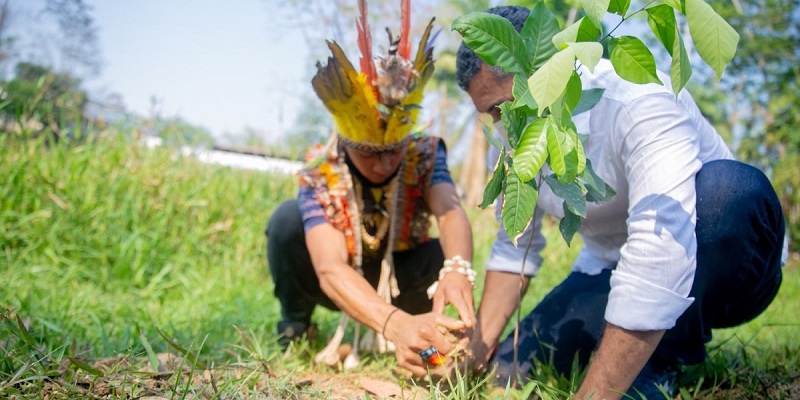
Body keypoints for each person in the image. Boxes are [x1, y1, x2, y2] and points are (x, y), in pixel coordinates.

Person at [455, 5, 787, 399]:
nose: (500, 124)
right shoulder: (516, 144)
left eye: (500, 108)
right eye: (489, 114)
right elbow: (513, 249)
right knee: (515, 366)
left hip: (726, 259)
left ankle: (665, 357)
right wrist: (476, 352)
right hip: (612, 267)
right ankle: (644, 349)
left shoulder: (635, 99)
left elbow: (659, 246)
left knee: (728, 191)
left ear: (542, 66)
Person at [266, 1, 475, 377]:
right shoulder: (320, 171)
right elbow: (329, 268)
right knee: (285, 221)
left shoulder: (424, 153)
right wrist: (395, 325)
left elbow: (451, 212)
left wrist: (458, 270)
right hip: (342, 282)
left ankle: (436, 337)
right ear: (346, 145)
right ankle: (295, 324)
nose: (383, 164)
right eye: (368, 156)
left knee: (445, 252)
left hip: (405, 277)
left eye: (393, 151)